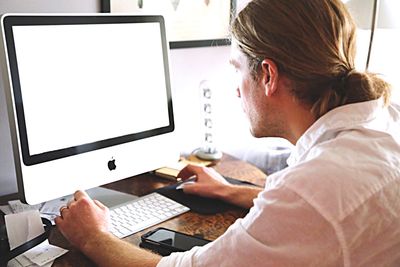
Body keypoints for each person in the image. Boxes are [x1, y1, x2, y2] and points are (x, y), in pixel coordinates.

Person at [55, 0, 400, 266]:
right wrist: (231, 191)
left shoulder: (313, 190)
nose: (236, 90)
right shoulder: (383, 119)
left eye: (236, 69)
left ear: (268, 75)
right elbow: (323, 212)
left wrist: (92, 236)